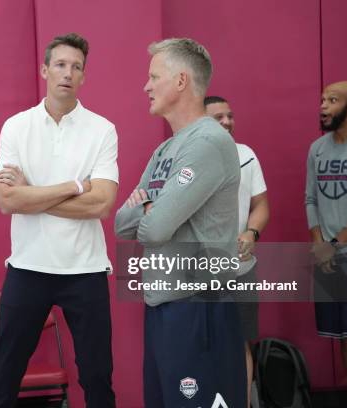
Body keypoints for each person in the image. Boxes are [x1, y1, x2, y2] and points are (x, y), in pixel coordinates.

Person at [0, 33, 118, 408]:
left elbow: (101, 205)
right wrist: (75, 185)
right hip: (28, 266)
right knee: (4, 377)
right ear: (44, 69)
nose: (68, 73)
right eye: (60, 65)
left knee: (97, 377)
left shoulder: (102, 130)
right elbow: (6, 199)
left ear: (84, 77)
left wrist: (33, 194)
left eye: (76, 67)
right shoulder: (16, 127)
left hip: (86, 269)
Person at [115, 38, 246, 407]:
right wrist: (154, 211)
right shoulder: (166, 149)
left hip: (199, 306)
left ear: (181, 81)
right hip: (163, 305)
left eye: (154, 76)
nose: (146, 85)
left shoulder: (207, 142)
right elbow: (121, 224)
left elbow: (154, 230)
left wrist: (149, 211)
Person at [205, 95, 269, 407]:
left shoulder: (246, 155)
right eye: (218, 117)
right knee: (203, 346)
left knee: (240, 343)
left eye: (229, 116)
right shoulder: (188, 158)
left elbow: (261, 206)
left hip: (241, 270)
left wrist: (251, 231)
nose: (228, 122)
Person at [306, 80, 347, 408]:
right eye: (322, 100)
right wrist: (320, 244)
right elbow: (310, 198)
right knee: (344, 335)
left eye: (332, 100)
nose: (323, 106)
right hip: (327, 253)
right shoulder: (317, 149)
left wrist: (335, 243)